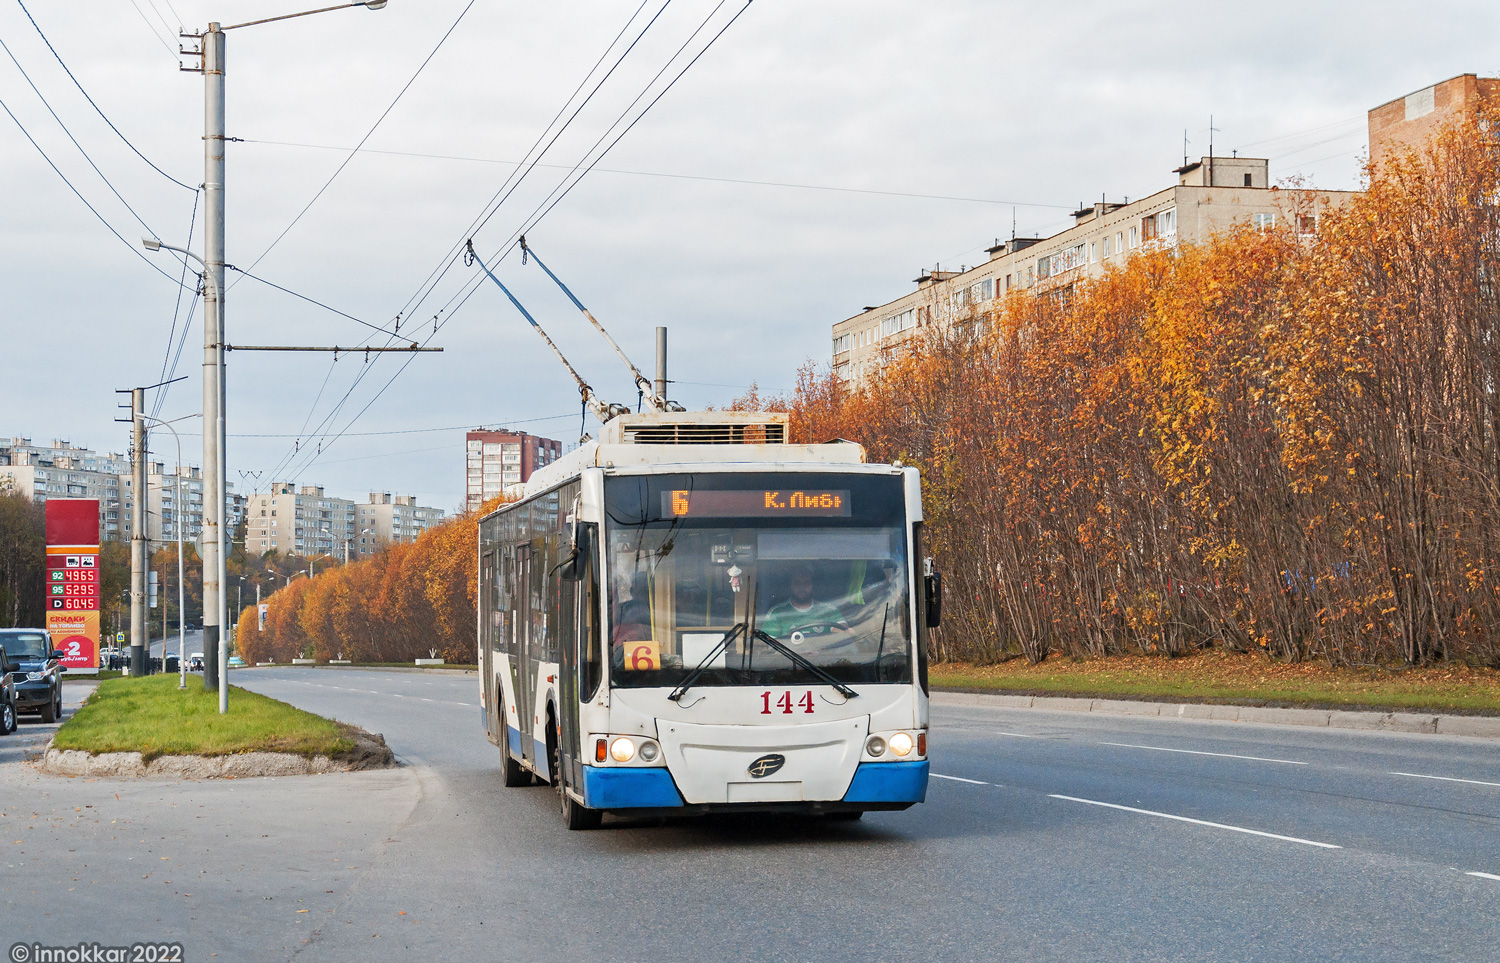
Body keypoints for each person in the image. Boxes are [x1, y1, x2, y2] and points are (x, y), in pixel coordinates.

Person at [759, 565, 848, 641]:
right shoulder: (776, 613)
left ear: (812, 585)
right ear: (790, 585)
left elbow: (842, 632)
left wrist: (842, 632)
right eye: (797, 583)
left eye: (806, 582)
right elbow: (768, 645)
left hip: (824, 660)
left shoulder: (829, 610)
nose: (802, 587)